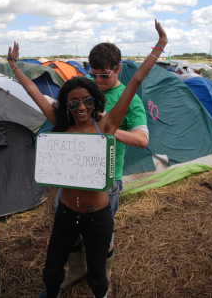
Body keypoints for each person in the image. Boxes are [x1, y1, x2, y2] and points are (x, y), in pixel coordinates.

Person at [7, 20, 168, 298]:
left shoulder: (106, 125)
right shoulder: (62, 122)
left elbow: (137, 81)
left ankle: (100, 288)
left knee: (99, 256)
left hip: (101, 202)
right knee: (58, 256)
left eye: (88, 101)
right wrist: (14, 67)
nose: (81, 107)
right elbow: (35, 94)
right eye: (73, 103)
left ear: (96, 101)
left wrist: (160, 46)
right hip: (68, 206)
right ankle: (67, 278)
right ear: (66, 105)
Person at [58, 40, 151, 291]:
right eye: (93, 74)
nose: (98, 81)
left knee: (102, 237)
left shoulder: (129, 99)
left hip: (106, 181)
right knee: (71, 233)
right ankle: (77, 270)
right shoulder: (86, 89)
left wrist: (109, 128)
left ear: (117, 69)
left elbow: (142, 139)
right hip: (75, 175)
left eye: (104, 75)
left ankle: (103, 283)